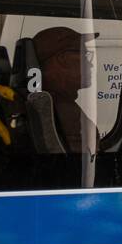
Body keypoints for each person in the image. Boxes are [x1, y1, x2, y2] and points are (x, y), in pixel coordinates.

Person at [31, 26, 98, 154]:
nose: (90, 64)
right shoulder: (62, 111)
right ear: (63, 59)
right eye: (84, 55)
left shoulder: (48, 103)